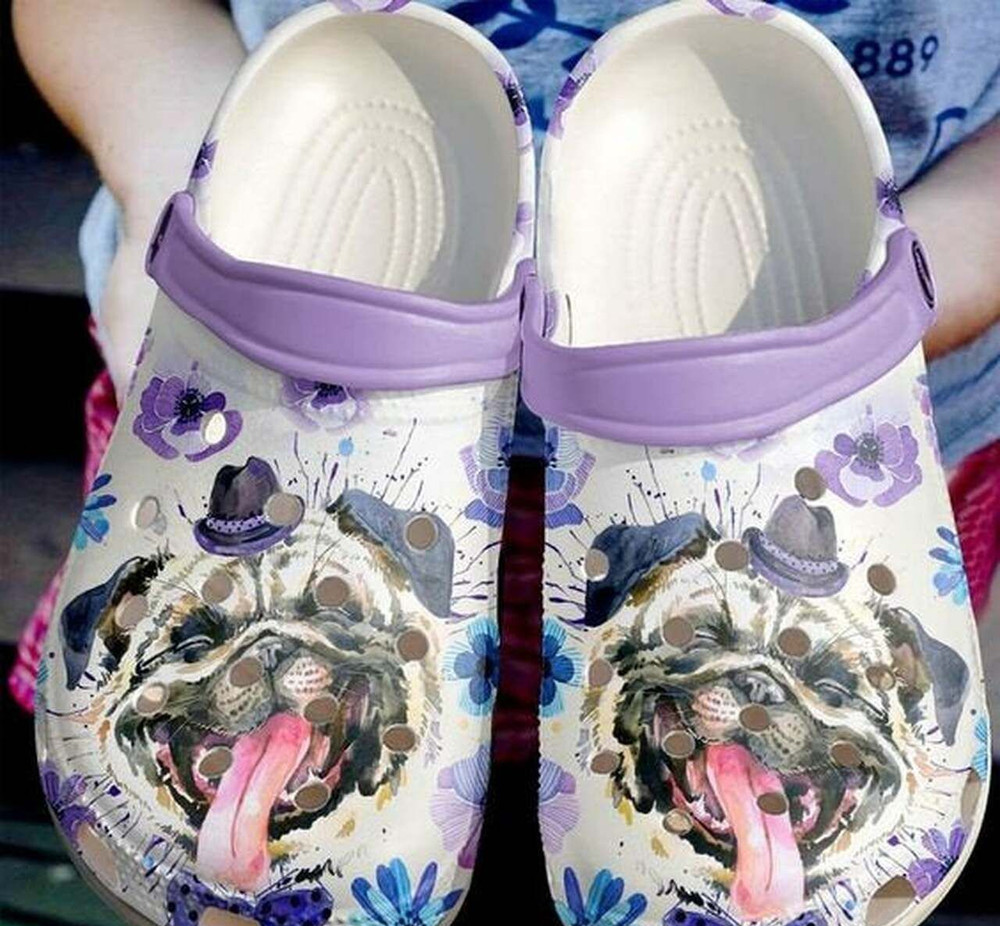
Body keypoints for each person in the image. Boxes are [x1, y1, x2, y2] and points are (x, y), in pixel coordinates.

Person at [10, 0, 1000, 718]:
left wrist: (897, 306)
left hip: (834, 443)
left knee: (720, 838)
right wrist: (174, 173)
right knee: (290, 804)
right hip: (266, 403)